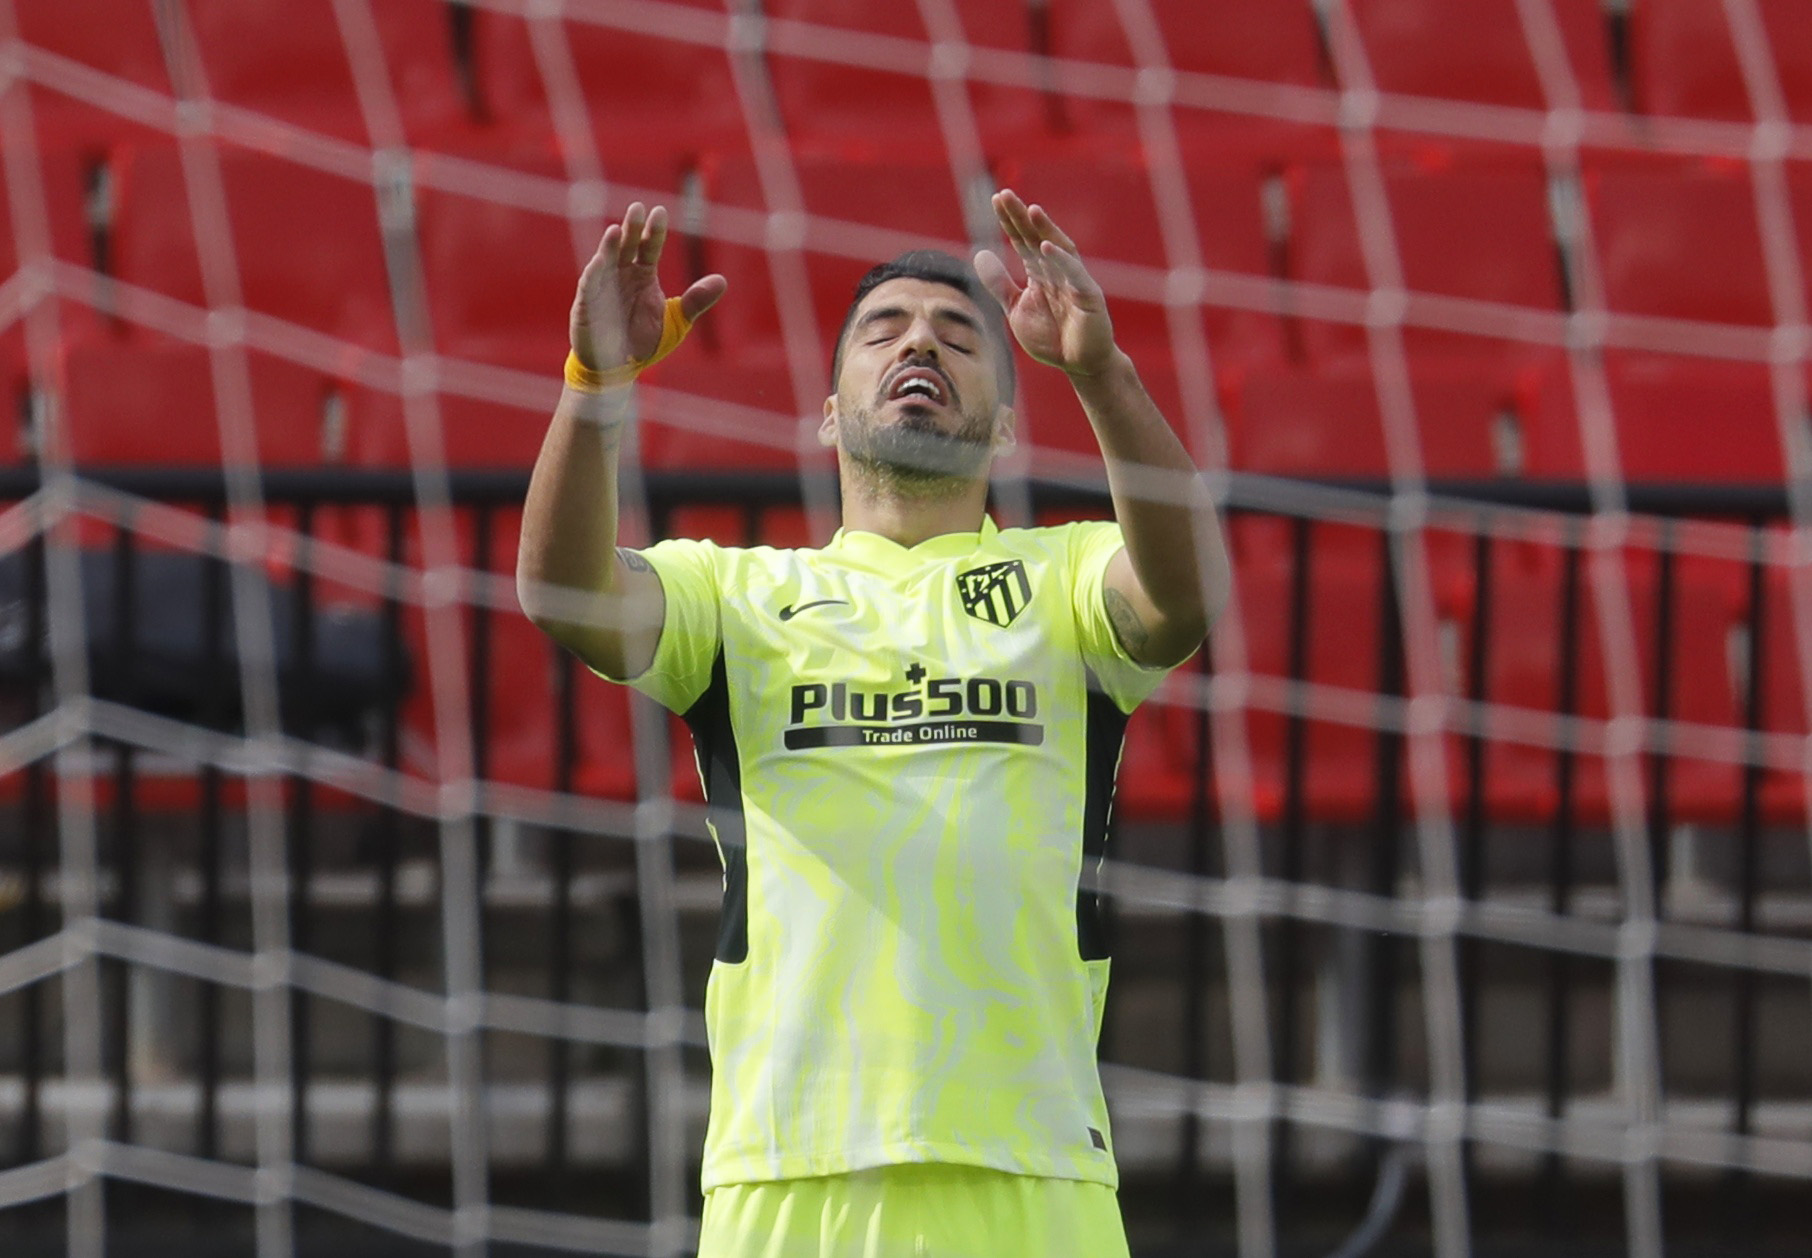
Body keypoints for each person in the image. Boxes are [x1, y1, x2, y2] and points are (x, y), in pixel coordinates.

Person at [517, 190, 1231, 1258]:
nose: (920, 345)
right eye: (884, 329)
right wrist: (595, 386)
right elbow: (562, 592)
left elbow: (1187, 594)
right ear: (827, 411)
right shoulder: (738, 595)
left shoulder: (1066, 575)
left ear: (1004, 426)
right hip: (789, 1174)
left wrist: (1100, 372)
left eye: (959, 337)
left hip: (1032, 1172)